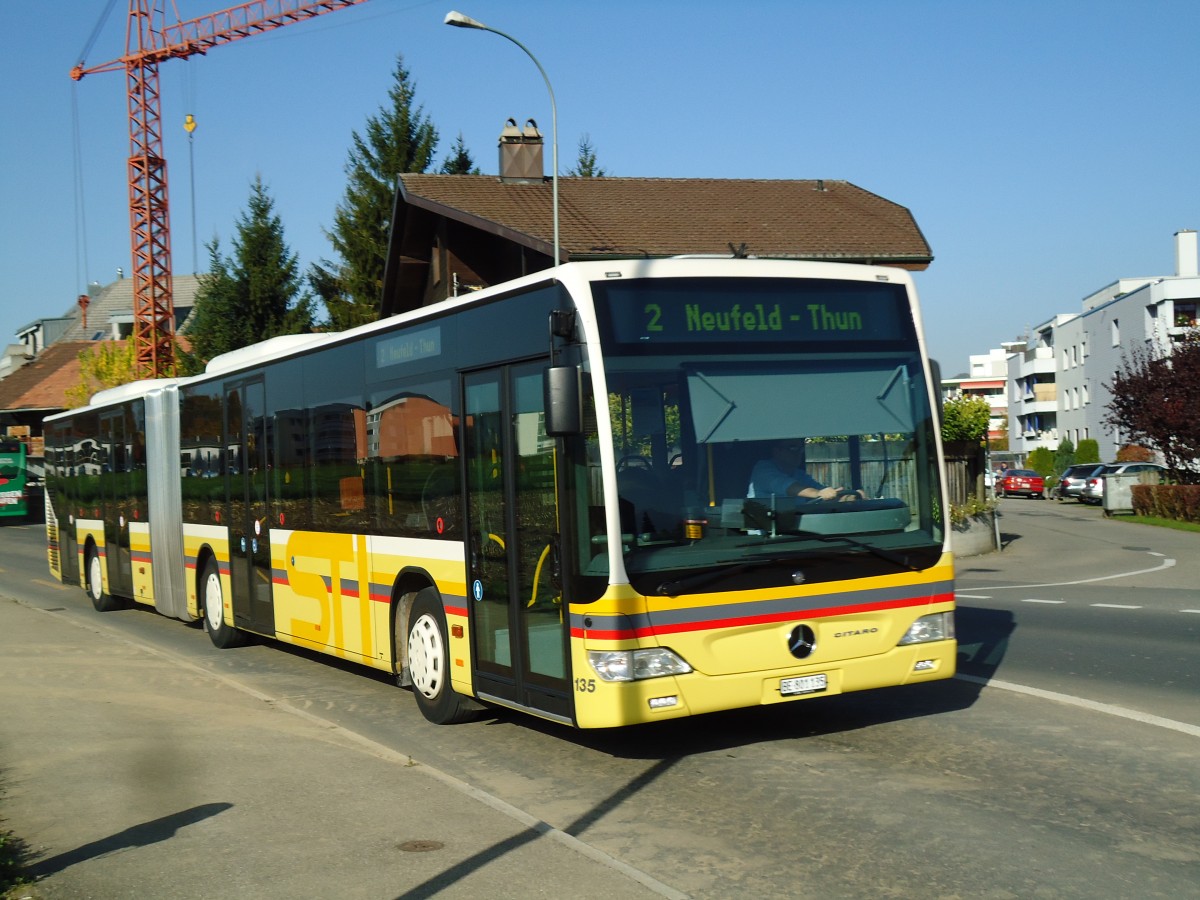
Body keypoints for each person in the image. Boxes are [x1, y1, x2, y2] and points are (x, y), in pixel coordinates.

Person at [750, 441, 863, 503]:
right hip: (764, 538)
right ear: (776, 451)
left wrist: (848, 498)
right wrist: (818, 494)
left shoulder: (798, 474)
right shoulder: (763, 470)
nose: (799, 453)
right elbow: (789, 487)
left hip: (796, 533)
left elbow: (821, 490)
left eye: (801, 449)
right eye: (793, 448)